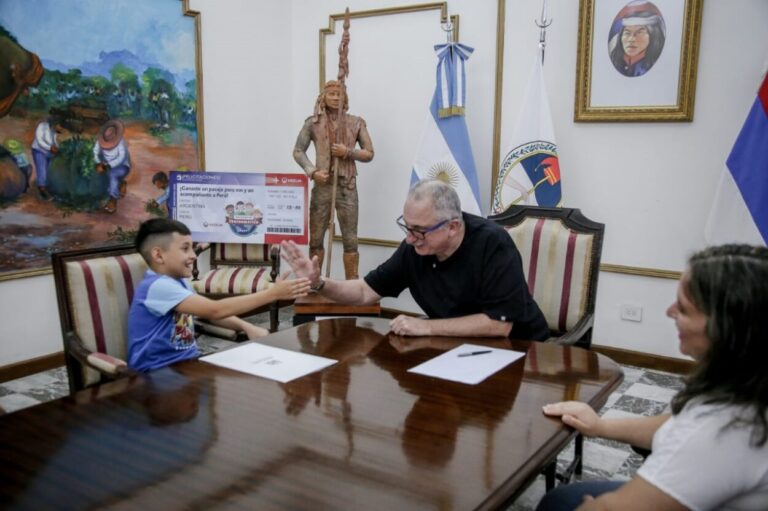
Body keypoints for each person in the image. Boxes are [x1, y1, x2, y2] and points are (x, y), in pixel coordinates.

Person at [537, 244, 768, 510]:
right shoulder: (749, 383)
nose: (669, 312)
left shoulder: (722, 431)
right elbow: (676, 423)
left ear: (725, 328)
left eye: (682, 308)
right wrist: (600, 427)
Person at [281, 179, 549, 340]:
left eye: (419, 230)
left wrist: (426, 326)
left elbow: (499, 325)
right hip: (456, 348)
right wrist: (319, 283)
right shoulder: (416, 247)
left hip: (521, 350)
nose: (410, 238)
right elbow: (365, 292)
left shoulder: (493, 244)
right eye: (407, 227)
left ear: (453, 227)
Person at [128, 218, 311, 372]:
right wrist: (271, 294)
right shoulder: (158, 286)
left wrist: (247, 327)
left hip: (187, 365)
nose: (193, 255)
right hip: (158, 372)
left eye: (192, 248)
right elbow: (215, 310)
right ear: (159, 255)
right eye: (185, 249)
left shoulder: (178, 282)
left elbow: (208, 313)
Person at [292, 79, 374, 280]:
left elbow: (369, 153)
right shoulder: (313, 123)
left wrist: (348, 152)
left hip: (347, 186)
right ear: (324, 97)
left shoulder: (356, 123)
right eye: (332, 94)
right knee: (317, 237)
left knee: (350, 238)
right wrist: (312, 172)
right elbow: (298, 151)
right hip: (322, 186)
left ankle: (352, 284)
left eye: (340, 94)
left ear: (345, 97)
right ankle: (315, 282)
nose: (336, 98)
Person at [608, 1, 666, 77]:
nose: (631, 39)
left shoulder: (654, 65)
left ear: (653, 36)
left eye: (639, 33)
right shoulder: (616, 60)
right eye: (627, 33)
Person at [93, 119, 131, 213]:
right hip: (105, 165)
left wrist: (108, 165)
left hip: (121, 166)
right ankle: (120, 184)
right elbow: (95, 152)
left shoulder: (121, 142)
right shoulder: (100, 139)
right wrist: (98, 163)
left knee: (113, 175)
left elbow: (121, 157)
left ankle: (113, 200)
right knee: (99, 175)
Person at [31, 115, 62, 200]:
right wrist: (50, 148)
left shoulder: (54, 130)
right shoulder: (42, 126)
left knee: (48, 170)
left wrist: (57, 147)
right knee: (42, 170)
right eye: (58, 125)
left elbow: (54, 141)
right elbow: (39, 140)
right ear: (54, 123)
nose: (59, 127)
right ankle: (42, 190)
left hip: (48, 153)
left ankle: (45, 188)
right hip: (38, 150)